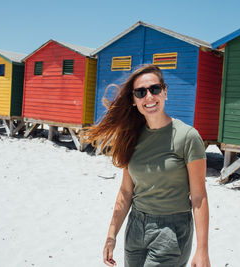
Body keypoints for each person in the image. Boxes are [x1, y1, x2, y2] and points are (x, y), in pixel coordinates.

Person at [86, 64, 210, 267]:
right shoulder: (131, 136)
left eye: (155, 89)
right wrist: (111, 234)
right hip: (135, 227)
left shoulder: (187, 137)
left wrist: (202, 250)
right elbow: (126, 191)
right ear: (134, 100)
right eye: (140, 92)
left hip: (172, 231)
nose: (149, 97)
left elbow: (199, 197)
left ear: (165, 91)